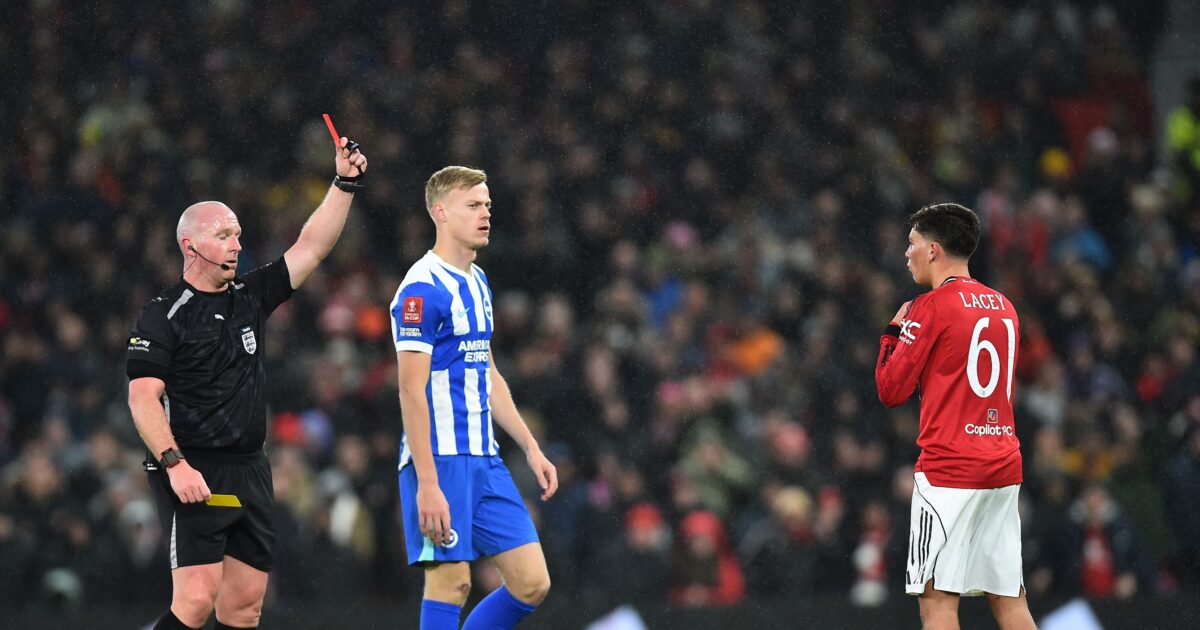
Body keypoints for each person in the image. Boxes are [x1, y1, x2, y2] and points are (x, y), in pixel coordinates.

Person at [126, 135, 368, 630]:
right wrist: (175, 466)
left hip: (251, 466)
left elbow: (312, 247)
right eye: (223, 235)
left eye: (237, 235)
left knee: (243, 609)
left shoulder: (249, 297)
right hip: (193, 466)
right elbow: (142, 395)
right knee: (195, 602)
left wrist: (343, 183)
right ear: (189, 244)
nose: (237, 245)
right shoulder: (162, 315)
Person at [390, 166, 556, 629]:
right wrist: (426, 481)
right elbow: (410, 389)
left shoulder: (478, 281)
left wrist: (529, 445)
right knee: (451, 583)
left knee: (531, 583)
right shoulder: (420, 291)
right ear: (441, 213)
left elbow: (487, 372)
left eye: (486, 204)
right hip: (439, 460)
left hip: (486, 457)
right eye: (473, 205)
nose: (485, 213)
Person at [875, 203, 1037, 630]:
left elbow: (892, 391)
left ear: (932, 250)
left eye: (910, 244)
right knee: (1010, 601)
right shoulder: (1004, 306)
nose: (905, 253)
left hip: (948, 470)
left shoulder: (931, 306)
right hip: (1002, 465)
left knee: (938, 603)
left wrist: (892, 335)